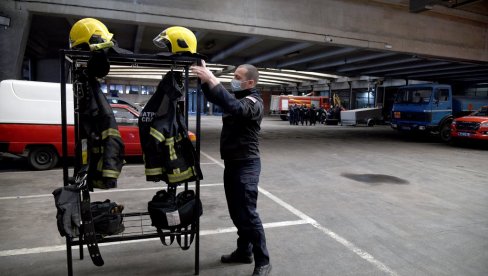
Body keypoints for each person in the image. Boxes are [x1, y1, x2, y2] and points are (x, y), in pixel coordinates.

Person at [191, 61, 271, 276]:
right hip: (233, 163)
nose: (232, 80)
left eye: (237, 77)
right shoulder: (238, 98)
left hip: (247, 165)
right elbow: (217, 98)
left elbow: (235, 108)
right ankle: (244, 251)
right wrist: (204, 80)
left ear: (250, 82)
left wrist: (212, 79)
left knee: (248, 213)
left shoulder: (254, 102)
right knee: (237, 212)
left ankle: (263, 260)